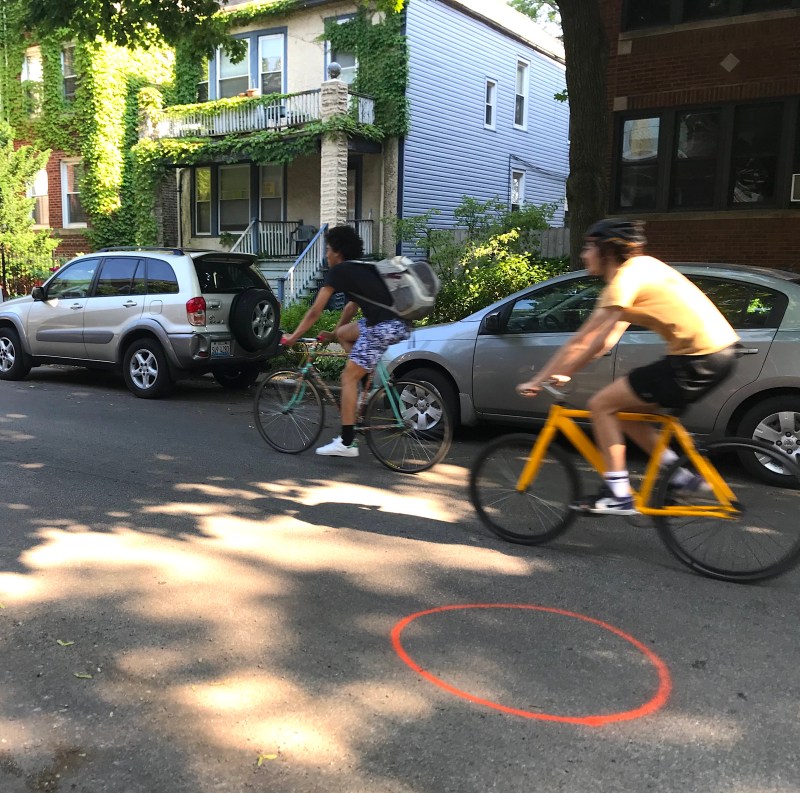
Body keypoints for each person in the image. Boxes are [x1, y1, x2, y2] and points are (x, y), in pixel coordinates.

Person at [516, 219, 740, 515]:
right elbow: (604, 342)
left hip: (696, 358)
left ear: (606, 250)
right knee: (622, 410)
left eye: (588, 247)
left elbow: (580, 340)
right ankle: (681, 477)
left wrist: (538, 379)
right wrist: (568, 371)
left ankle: (618, 493)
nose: (584, 255)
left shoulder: (624, 280)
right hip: (716, 355)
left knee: (601, 405)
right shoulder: (641, 271)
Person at [281, 225, 411, 457]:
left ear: (338, 252)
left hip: (382, 327)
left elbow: (314, 311)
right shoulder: (362, 268)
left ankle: (347, 442)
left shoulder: (340, 271)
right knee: (344, 334)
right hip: (396, 324)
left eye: (328, 249)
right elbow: (351, 307)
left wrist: (293, 337)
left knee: (347, 377)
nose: (326, 254)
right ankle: (364, 389)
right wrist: (334, 332)